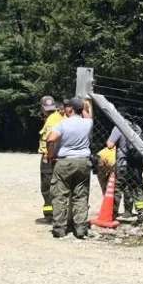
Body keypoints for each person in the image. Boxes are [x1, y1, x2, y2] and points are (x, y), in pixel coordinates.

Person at [46, 97, 93, 239]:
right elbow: (88, 116)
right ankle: (80, 229)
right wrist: (84, 107)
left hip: (65, 162)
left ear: (70, 109)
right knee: (81, 196)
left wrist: (50, 155)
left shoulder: (62, 124)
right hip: (84, 162)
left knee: (60, 196)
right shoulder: (88, 123)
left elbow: (50, 139)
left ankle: (59, 229)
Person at [106, 121, 143, 223]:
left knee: (117, 188)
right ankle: (142, 212)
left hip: (123, 163)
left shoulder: (118, 127)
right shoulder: (137, 127)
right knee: (137, 188)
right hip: (137, 163)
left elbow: (110, 144)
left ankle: (112, 213)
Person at [37, 96, 64, 224]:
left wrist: (49, 156)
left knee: (47, 186)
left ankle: (49, 215)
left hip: (49, 156)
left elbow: (50, 141)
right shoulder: (60, 117)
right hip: (60, 156)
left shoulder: (51, 120)